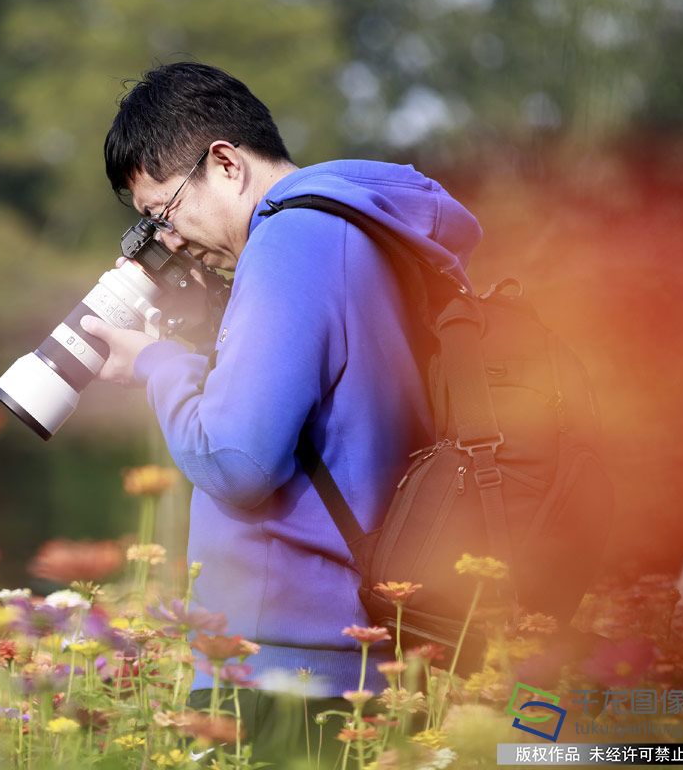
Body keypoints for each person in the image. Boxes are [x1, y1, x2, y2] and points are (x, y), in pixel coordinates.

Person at [79, 62, 483, 761]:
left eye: (162, 215)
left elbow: (238, 461)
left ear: (226, 163)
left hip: (289, 671)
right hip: (354, 656)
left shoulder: (292, 239)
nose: (167, 242)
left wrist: (154, 361)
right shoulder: (356, 228)